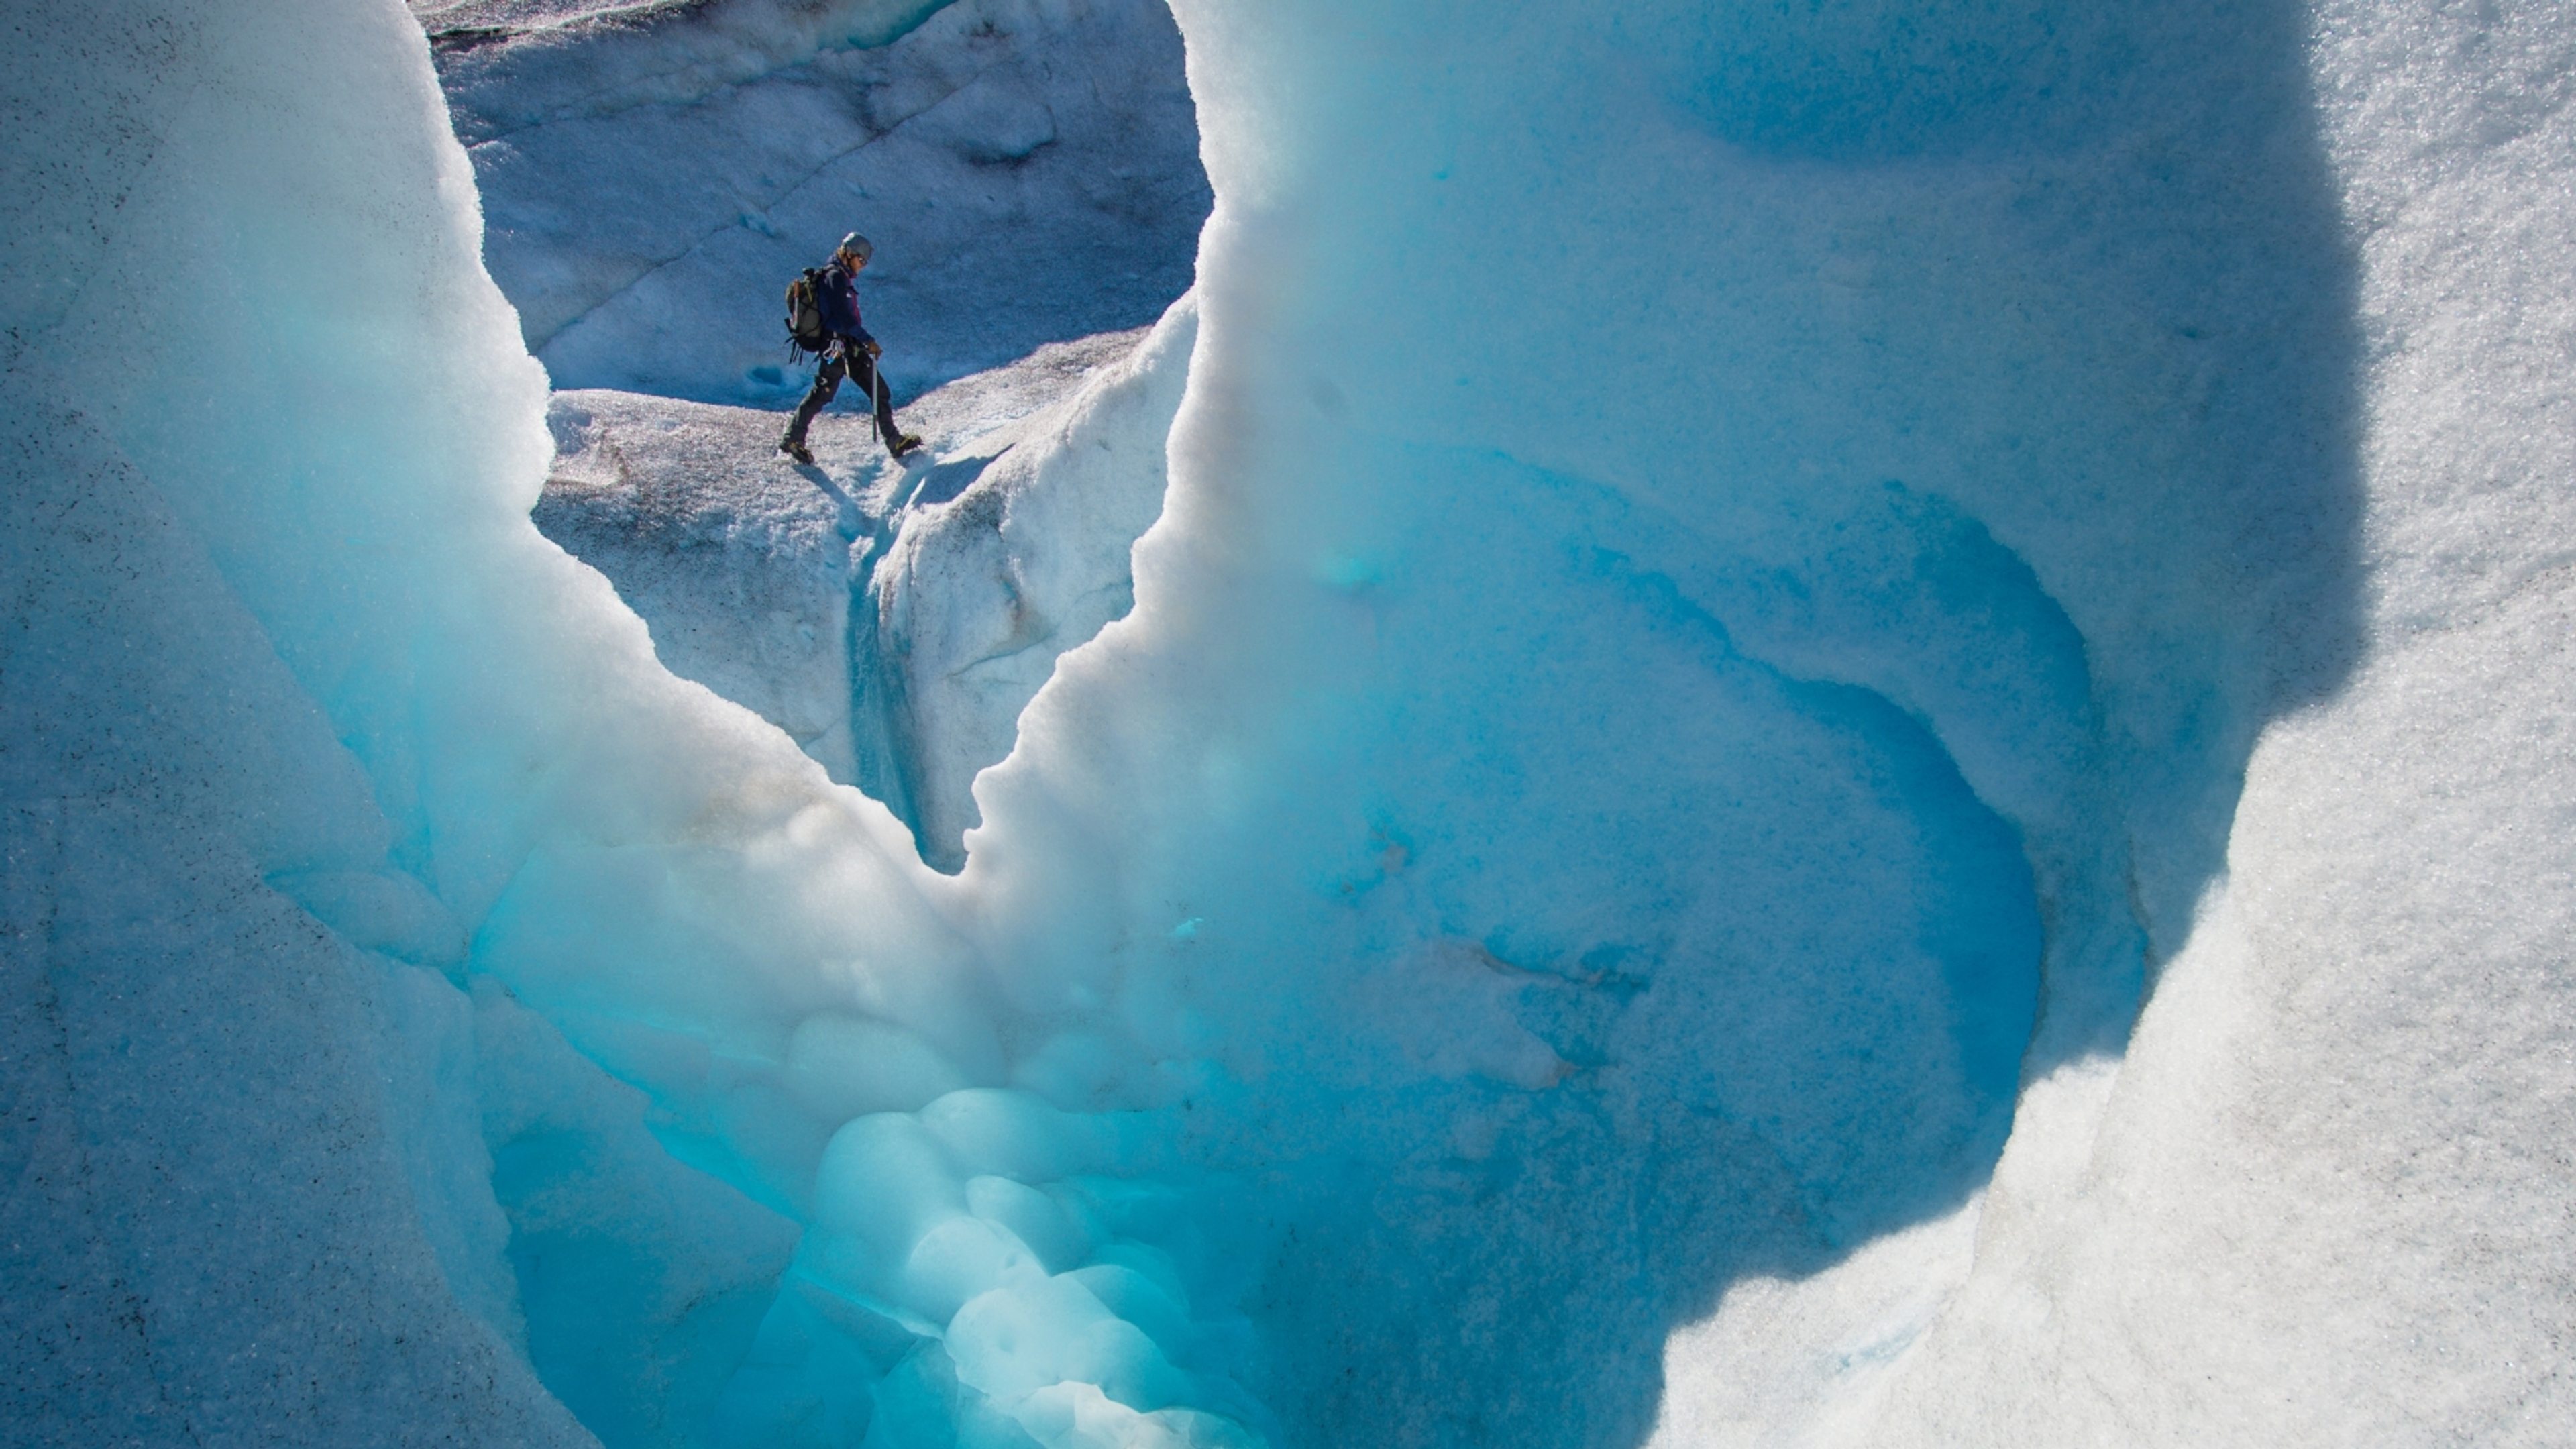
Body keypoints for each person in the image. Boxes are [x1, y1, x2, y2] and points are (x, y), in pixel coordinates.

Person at [780, 232, 922, 464]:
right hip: (835, 345)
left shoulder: (842, 277)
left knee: (879, 390)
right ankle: (792, 439)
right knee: (823, 393)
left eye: (865, 262)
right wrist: (868, 340)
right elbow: (844, 319)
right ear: (848, 253)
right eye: (861, 260)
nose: (862, 266)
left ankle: (894, 441)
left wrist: (861, 341)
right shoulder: (834, 277)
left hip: (850, 346)